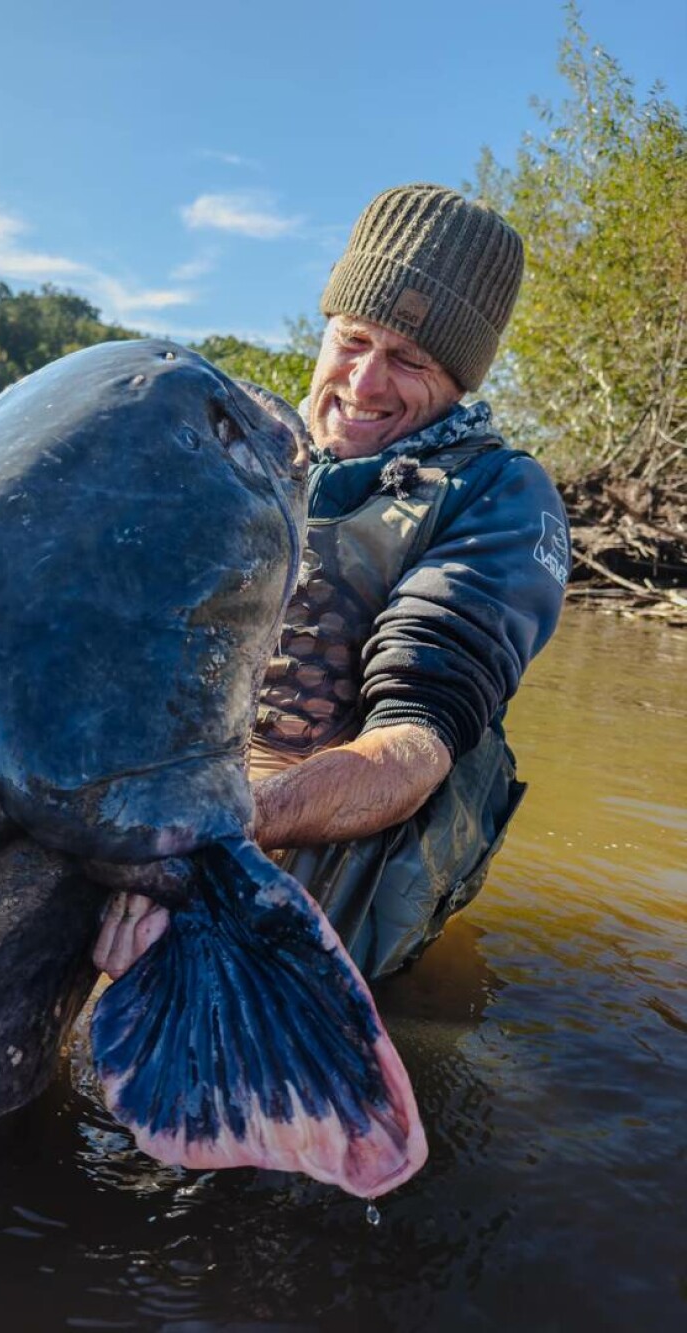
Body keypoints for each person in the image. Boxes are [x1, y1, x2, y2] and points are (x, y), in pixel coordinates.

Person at [248, 182, 569, 980]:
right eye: (353, 340)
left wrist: (209, 828)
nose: (363, 384)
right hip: (180, 823)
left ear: (459, 379)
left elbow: (415, 741)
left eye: (408, 359)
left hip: (323, 881)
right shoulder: (248, 452)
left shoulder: (500, 496)